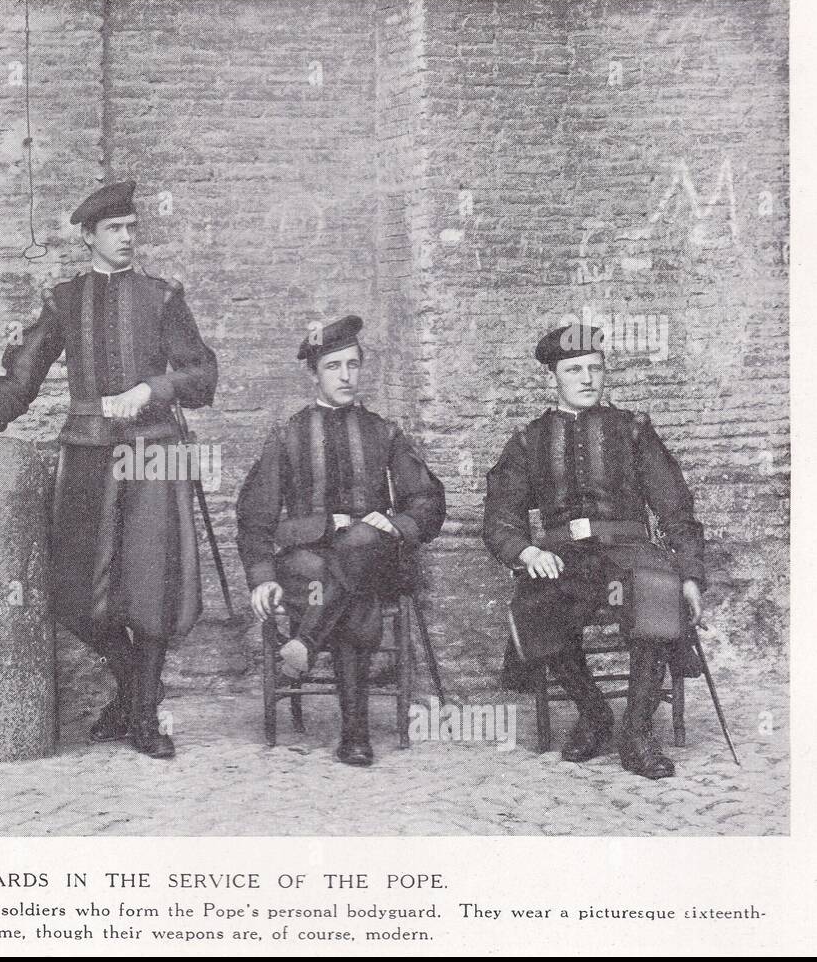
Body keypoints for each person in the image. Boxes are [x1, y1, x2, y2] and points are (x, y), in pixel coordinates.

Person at [0, 180, 218, 760]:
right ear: (89, 236)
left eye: (131, 227)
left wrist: (151, 388)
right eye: (113, 229)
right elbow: (24, 372)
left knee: (150, 587)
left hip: (153, 452)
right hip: (89, 452)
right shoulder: (66, 300)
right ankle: (132, 686)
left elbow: (201, 377)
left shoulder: (163, 297)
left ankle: (143, 718)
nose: (126, 238)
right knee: (71, 595)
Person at [482, 325, 706, 779]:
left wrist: (689, 574)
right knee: (538, 601)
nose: (587, 378)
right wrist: (527, 552)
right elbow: (500, 517)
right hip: (567, 555)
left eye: (594, 368)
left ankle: (637, 733)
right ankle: (595, 713)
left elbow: (675, 505)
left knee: (657, 592)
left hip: (629, 551)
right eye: (574, 369)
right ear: (554, 377)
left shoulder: (634, 431)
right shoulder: (530, 440)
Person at [236, 317, 446, 765]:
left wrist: (398, 525)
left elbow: (426, 499)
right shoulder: (288, 435)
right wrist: (260, 578)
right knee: (354, 588)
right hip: (307, 565)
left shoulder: (382, 432)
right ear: (314, 373)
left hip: (372, 556)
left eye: (353, 365)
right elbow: (255, 515)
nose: (346, 376)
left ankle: (306, 645)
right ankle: (355, 736)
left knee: (363, 544)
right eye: (334, 366)